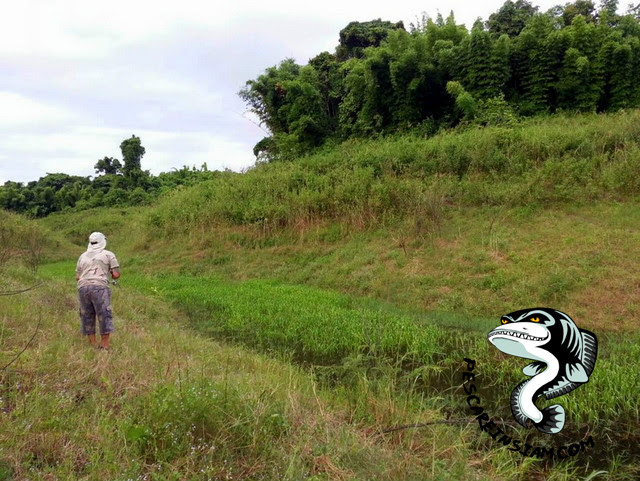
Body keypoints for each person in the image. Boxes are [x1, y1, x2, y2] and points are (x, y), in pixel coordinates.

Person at [75, 232, 120, 350]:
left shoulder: (82, 256)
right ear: (103, 241)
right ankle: (105, 345)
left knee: (87, 315)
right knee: (104, 314)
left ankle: (93, 344)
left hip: (83, 288)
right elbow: (116, 274)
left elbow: (78, 277)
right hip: (100, 287)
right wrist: (110, 273)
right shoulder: (108, 254)